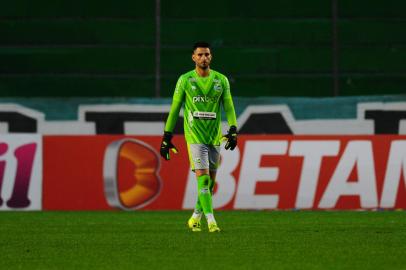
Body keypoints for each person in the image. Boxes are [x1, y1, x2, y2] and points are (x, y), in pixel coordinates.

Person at [160, 41, 238, 233]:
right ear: (193, 57)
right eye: (200, 55)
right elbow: (175, 108)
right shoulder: (185, 80)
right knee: (203, 181)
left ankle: (195, 217)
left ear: (211, 57)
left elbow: (228, 106)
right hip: (194, 136)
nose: (204, 58)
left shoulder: (221, 80)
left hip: (214, 137)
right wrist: (167, 136)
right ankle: (211, 221)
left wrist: (234, 129)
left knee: (209, 184)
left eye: (207, 54)